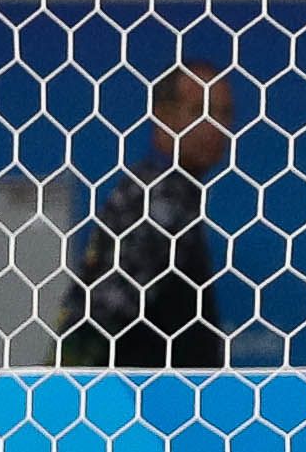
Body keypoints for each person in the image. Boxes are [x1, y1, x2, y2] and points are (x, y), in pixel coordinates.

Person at [59, 59, 234, 369]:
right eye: (199, 112)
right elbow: (103, 310)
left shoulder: (170, 193)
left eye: (224, 113)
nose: (215, 126)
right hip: (136, 403)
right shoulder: (157, 196)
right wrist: (65, 391)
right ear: (162, 116)